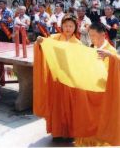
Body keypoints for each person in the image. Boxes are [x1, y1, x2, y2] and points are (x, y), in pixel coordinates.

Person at [33, 14, 81, 143]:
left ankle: (71, 132)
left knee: (70, 106)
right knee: (56, 105)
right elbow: (43, 47)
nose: (68, 28)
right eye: (65, 25)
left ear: (75, 27)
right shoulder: (54, 38)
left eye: (71, 26)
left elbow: (81, 62)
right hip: (55, 79)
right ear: (61, 26)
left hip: (70, 79)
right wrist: (39, 43)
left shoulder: (78, 43)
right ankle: (57, 132)